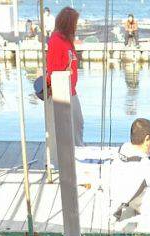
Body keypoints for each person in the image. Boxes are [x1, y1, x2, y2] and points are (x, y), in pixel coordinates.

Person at [45, 6, 84, 162]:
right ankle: (56, 163)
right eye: (74, 23)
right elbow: (53, 68)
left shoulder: (68, 41)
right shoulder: (56, 41)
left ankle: (77, 156)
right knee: (58, 130)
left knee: (77, 124)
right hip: (59, 92)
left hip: (70, 90)